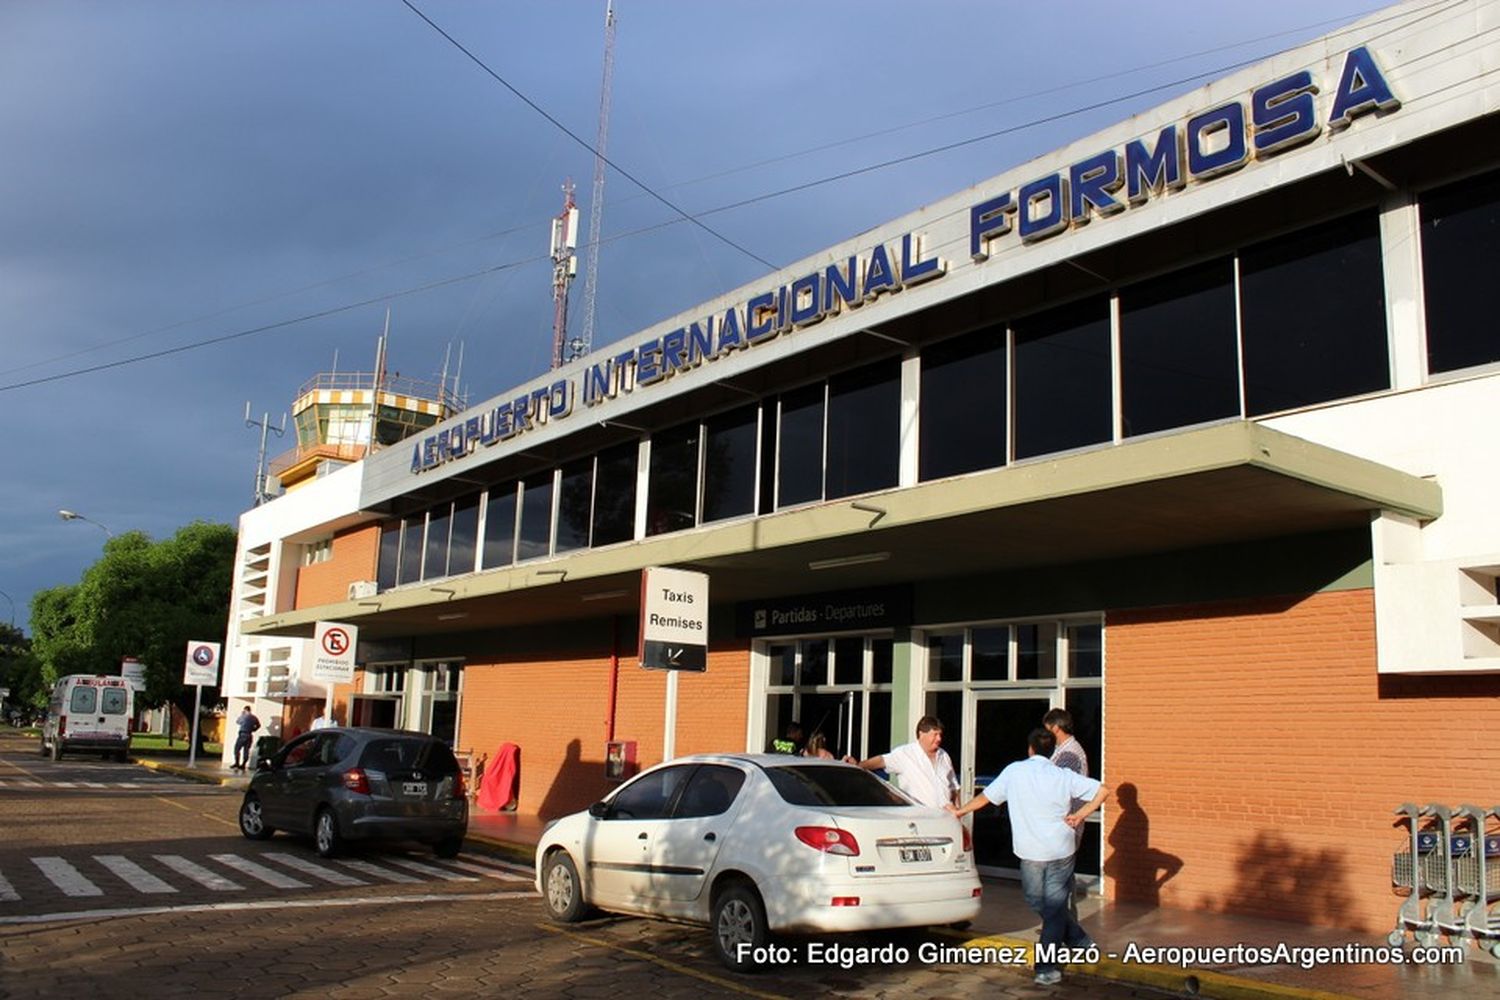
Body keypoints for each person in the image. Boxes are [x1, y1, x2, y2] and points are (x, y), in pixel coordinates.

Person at [950, 728, 1107, 986]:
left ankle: (1046, 967)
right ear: (1051, 751)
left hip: (1045, 852)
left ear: (1030, 749)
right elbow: (1103, 790)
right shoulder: (1059, 775)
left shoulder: (1017, 771)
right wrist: (1082, 814)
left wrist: (960, 812)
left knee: (1048, 905)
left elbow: (985, 798)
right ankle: (1078, 938)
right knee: (1043, 904)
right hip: (1055, 849)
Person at [845, 715, 959, 810]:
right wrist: (858, 766)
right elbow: (881, 760)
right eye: (935, 735)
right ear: (921, 734)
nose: (939, 739)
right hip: (919, 818)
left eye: (940, 735)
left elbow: (953, 787)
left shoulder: (944, 756)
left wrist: (958, 810)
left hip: (945, 817)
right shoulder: (905, 754)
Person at [231, 706, 261, 771]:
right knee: (246, 750)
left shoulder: (244, 716)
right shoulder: (254, 717)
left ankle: (237, 763)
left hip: (242, 734)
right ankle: (243, 764)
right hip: (249, 735)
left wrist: (241, 714)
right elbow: (259, 725)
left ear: (245, 710)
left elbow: (238, 721)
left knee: (237, 749)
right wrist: (253, 729)